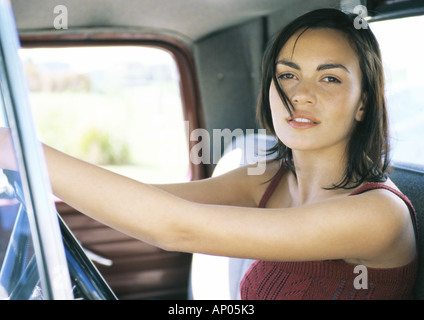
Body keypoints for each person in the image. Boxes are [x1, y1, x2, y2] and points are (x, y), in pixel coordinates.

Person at [0, 8, 418, 300]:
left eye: (329, 78)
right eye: (287, 75)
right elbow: (151, 199)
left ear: (364, 103)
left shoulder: (377, 215)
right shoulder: (264, 177)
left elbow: (174, 228)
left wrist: (19, 149)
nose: (301, 94)